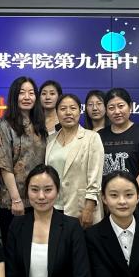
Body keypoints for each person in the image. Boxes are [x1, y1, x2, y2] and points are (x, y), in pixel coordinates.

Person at [0, 76, 48, 239]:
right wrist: (16, 199)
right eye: (22, 93)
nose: (27, 97)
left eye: (31, 93)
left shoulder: (40, 125)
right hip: (13, 201)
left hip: (38, 199)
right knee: (14, 246)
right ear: (14, 96)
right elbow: (4, 164)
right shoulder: (6, 125)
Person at [100, 88, 139, 222]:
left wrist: (130, 196)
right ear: (106, 111)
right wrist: (109, 199)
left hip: (136, 203)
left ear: (130, 107)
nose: (117, 111)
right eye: (111, 108)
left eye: (121, 106)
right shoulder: (100, 136)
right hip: (108, 203)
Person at [45, 93, 102, 228]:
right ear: (57, 113)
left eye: (73, 108)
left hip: (81, 208)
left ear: (79, 111)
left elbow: (95, 177)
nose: (68, 112)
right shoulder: (50, 140)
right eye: (63, 109)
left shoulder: (91, 138)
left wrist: (89, 208)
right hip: (54, 207)